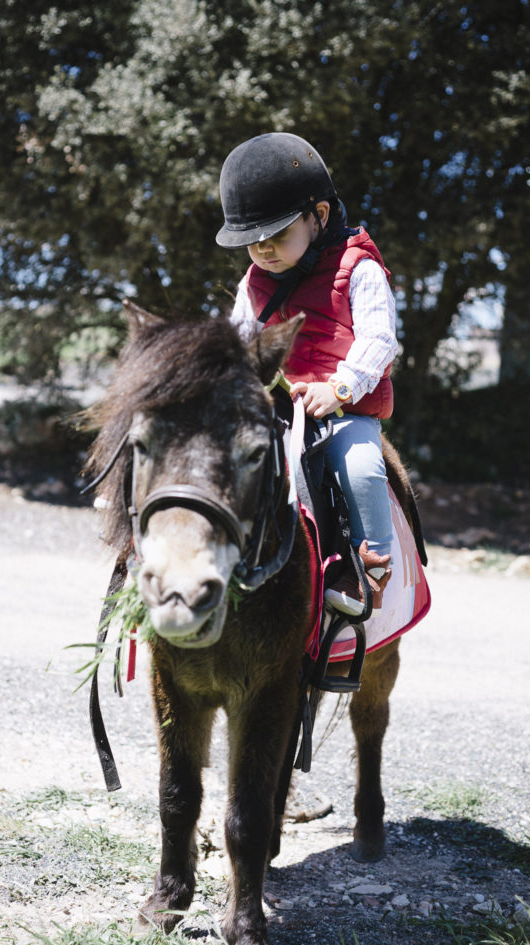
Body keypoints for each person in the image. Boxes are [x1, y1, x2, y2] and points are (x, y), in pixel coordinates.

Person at [215, 131, 397, 615]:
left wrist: (340, 388)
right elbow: (238, 340)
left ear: (319, 215)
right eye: (252, 242)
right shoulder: (253, 282)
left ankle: (371, 569)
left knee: (361, 466)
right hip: (280, 408)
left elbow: (380, 340)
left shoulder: (358, 268)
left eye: (276, 235)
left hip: (342, 410)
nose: (263, 250)